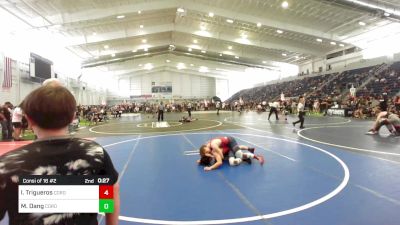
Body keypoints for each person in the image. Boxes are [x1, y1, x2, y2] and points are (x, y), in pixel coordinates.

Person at [0, 85, 120, 225]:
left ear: (29, 120)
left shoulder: (7, 164)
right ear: (73, 117)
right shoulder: (95, 153)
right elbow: (111, 190)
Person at [197, 136, 265, 171]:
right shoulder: (209, 147)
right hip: (228, 148)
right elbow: (206, 152)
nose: (208, 152)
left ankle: (257, 157)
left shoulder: (213, 147)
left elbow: (220, 159)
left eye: (207, 152)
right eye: (207, 153)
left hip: (230, 141)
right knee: (233, 161)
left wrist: (210, 168)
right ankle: (245, 155)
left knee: (239, 154)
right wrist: (200, 160)